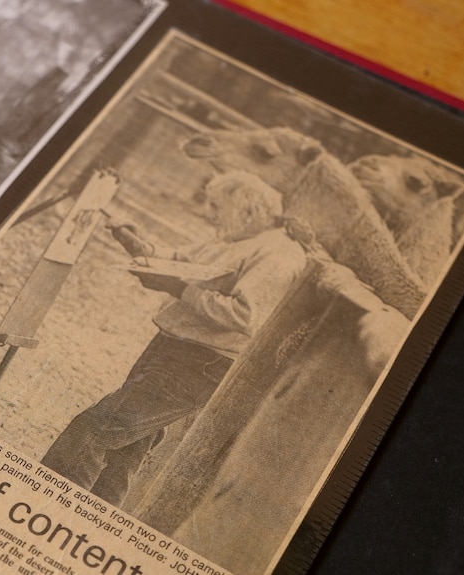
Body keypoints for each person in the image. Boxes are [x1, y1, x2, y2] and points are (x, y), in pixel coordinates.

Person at [40, 171, 308, 506]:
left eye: (215, 205)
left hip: (201, 363)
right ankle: (90, 520)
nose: (209, 212)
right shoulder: (234, 237)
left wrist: (177, 287)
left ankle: (45, 504)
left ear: (248, 209)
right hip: (171, 349)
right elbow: (181, 261)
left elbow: (246, 316)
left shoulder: (279, 254)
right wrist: (138, 246)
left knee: (92, 430)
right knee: (128, 448)